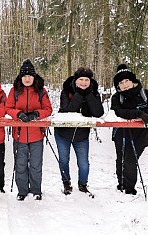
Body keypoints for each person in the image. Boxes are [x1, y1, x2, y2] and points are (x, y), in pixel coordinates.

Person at [111, 64, 148, 195]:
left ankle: (129, 189)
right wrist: (139, 114)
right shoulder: (117, 97)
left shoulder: (146, 94)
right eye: (121, 82)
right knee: (120, 159)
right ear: (118, 86)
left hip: (140, 134)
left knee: (130, 160)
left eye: (127, 80)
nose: (125, 84)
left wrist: (145, 113)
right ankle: (121, 184)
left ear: (133, 80)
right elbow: (119, 112)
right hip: (121, 133)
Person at [6, 59, 53, 201]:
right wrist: (18, 114)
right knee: (20, 165)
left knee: (36, 165)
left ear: (34, 77)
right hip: (19, 134)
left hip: (37, 134)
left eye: (30, 76)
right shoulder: (14, 91)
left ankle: (36, 190)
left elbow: (48, 109)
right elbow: (8, 108)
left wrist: (37, 114)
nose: (27, 79)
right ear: (21, 77)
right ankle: (22, 190)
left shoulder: (41, 91)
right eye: (24, 76)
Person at [54, 67, 104, 195]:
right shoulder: (67, 91)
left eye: (86, 79)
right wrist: (79, 94)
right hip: (63, 133)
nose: (83, 82)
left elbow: (98, 113)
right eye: (81, 79)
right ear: (76, 80)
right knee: (64, 160)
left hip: (81, 134)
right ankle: (66, 182)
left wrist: (87, 94)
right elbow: (68, 111)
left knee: (84, 163)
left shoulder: (94, 92)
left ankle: (83, 185)